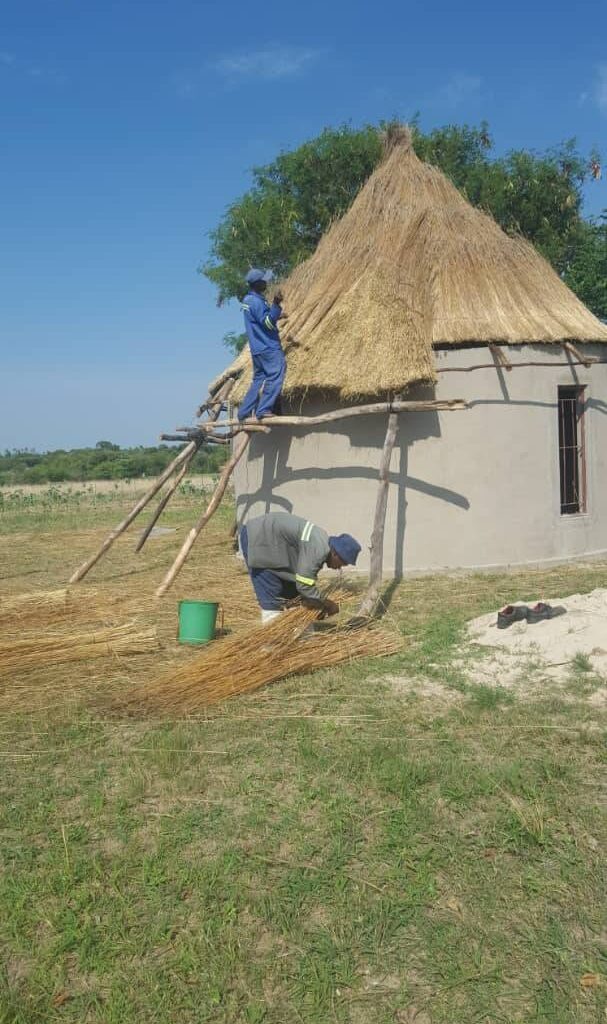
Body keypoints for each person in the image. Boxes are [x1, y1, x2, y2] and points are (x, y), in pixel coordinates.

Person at [239, 511, 362, 624]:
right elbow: (304, 585)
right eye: (343, 563)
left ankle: (303, 640)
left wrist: (315, 605)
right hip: (259, 540)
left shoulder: (321, 544)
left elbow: (302, 585)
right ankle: (271, 646)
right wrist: (326, 604)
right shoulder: (319, 550)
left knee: (293, 596)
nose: (340, 567)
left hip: (273, 544)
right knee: (273, 600)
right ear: (335, 554)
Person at [238, 268, 286, 421]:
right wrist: (276, 304)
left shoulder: (248, 300)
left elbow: (258, 321)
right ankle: (264, 409)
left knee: (258, 379)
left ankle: (244, 411)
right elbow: (267, 324)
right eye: (264, 281)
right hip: (268, 346)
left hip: (257, 348)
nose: (266, 282)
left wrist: (276, 313)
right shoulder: (256, 301)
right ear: (258, 284)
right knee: (276, 373)